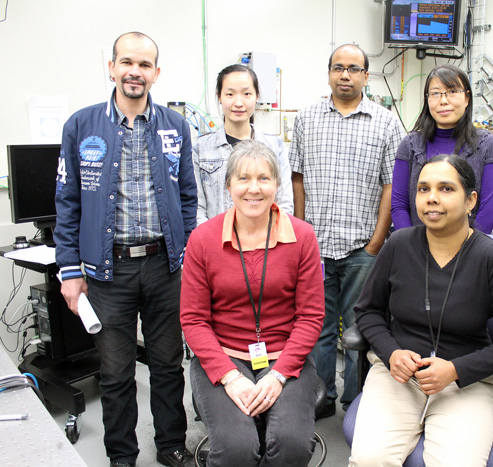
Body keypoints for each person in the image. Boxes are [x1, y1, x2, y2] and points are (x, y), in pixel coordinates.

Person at [55, 32, 196, 467]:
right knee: (116, 372)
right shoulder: (81, 125)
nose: (135, 71)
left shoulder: (175, 126)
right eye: (127, 62)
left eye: (145, 64)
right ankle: (122, 455)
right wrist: (69, 270)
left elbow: (188, 197)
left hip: (165, 267)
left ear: (156, 73)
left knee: (168, 365)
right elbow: (67, 201)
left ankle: (172, 445)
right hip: (106, 272)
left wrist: (188, 253)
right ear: (112, 68)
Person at [350, 155, 493, 466]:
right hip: (399, 375)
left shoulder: (492, 258)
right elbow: (368, 312)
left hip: (466, 381)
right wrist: (392, 353)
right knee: (371, 458)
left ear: (470, 200)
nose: (432, 198)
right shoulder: (398, 245)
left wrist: (455, 370)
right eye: (423, 189)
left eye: (446, 189)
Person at [181, 139, 324, 467]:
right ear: (228, 184)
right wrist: (229, 376)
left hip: (285, 357)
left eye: (264, 178)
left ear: (277, 184)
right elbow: (193, 320)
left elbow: (311, 316)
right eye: (243, 178)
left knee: (291, 445)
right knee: (236, 449)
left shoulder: (302, 238)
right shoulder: (203, 239)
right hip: (223, 358)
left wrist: (279, 375)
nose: (253, 188)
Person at [289, 44, 405, 416]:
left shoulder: (386, 122)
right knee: (317, 329)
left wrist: (376, 242)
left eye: (354, 69)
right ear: (328, 73)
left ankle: (355, 401)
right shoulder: (306, 119)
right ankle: (320, 399)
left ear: (365, 76)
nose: (345, 75)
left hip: (361, 249)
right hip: (315, 247)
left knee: (361, 329)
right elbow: (297, 177)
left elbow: (392, 185)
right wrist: (302, 232)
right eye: (338, 68)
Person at [391, 64, 493, 234]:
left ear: (467, 98)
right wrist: (411, 247)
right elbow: (399, 206)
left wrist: (466, 250)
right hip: (416, 251)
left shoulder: (487, 145)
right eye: (435, 93)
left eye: (452, 91)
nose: (443, 100)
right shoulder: (410, 145)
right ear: (427, 100)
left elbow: (489, 211)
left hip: (469, 251)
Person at [193, 64, 293, 224]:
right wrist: (211, 242)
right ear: (219, 96)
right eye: (230, 94)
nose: (238, 103)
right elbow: (197, 208)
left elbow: (284, 204)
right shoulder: (201, 148)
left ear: (257, 96)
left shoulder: (275, 147)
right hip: (217, 244)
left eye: (246, 94)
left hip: (265, 244)